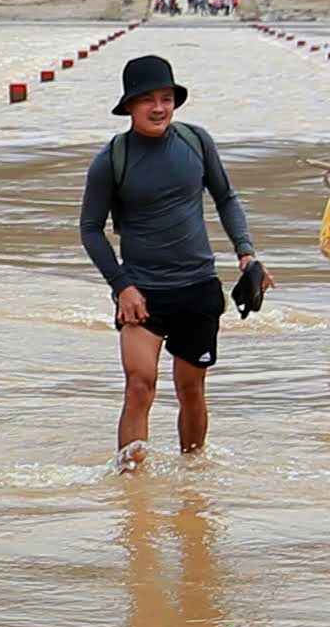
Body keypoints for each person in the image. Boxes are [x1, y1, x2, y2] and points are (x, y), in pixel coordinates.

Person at [81, 53, 263, 469]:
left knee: (191, 388)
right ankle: (132, 488)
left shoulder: (196, 142)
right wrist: (121, 285)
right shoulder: (111, 160)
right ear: (129, 105)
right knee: (139, 387)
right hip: (141, 294)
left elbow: (227, 198)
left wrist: (246, 252)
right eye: (148, 99)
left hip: (198, 289)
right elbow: (90, 228)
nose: (159, 108)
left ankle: (193, 480)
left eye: (166, 98)